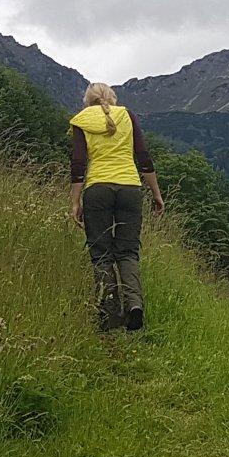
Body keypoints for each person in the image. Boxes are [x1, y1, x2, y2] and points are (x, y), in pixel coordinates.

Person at [69, 82, 164, 332]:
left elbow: (78, 164)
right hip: (130, 189)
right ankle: (134, 305)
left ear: (87, 100)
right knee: (128, 252)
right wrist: (156, 193)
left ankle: (109, 312)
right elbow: (143, 157)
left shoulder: (81, 121)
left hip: (97, 190)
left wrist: (75, 201)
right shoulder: (127, 115)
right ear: (112, 97)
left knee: (101, 252)